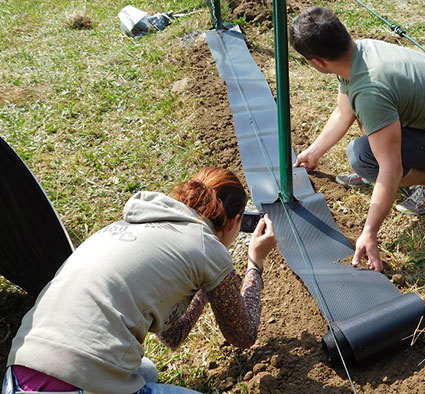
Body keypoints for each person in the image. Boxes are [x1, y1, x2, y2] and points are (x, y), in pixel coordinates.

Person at [3, 167, 278, 394]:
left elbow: (172, 335)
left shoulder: (133, 224)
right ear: (235, 220)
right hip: (78, 383)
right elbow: (243, 335)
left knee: (146, 371)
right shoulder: (207, 248)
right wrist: (255, 262)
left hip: (19, 372)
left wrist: (210, 281)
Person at [290, 6, 425, 272]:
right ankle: (404, 171)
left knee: (366, 159)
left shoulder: (370, 88)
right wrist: (313, 152)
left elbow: (389, 167)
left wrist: (369, 231)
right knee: (364, 153)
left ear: (317, 62)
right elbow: (344, 110)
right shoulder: (357, 53)